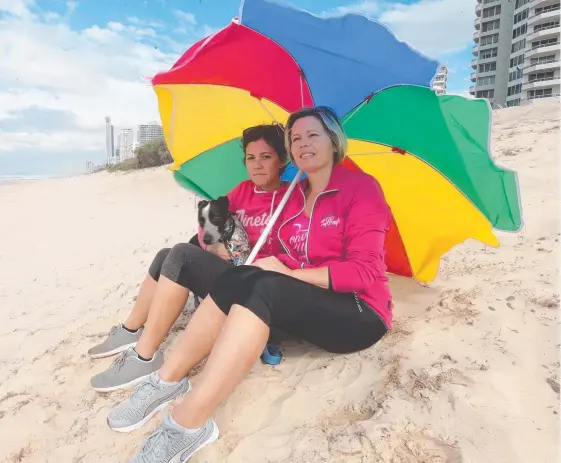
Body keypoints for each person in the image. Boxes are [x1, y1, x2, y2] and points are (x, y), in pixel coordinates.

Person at [109, 106, 394, 462]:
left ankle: (188, 423)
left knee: (260, 284)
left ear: (334, 141)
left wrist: (285, 272)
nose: (303, 143)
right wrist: (254, 259)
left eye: (312, 135)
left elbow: (364, 272)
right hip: (306, 300)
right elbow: (277, 249)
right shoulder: (294, 195)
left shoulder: (360, 188)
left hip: (358, 312)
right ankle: (166, 380)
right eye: (295, 137)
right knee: (241, 276)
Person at [88, 124, 289, 392]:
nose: (257, 165)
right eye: (251, 158)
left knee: (182, 255)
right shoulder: (243, 190)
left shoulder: (293, 197)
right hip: (231, 270)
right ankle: (131, 328)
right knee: (165, 255)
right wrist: (214, 245)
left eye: (266, 157)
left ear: (282, 160)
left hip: (258, 282)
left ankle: (145, 356)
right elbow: (208, 221)